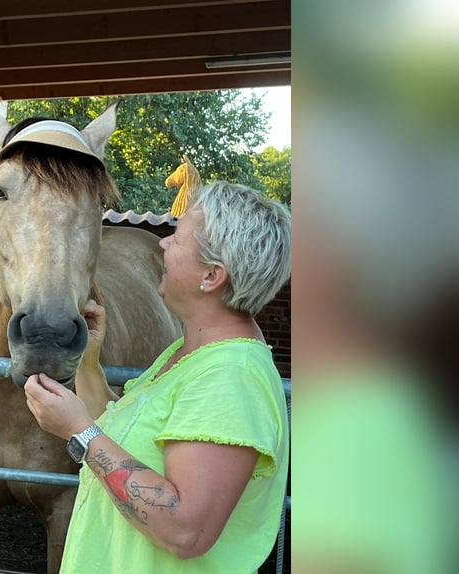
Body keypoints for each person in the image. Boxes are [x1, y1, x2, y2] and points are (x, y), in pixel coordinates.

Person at [24, 179, 291, 573]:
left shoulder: (231, 379)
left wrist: (79, 432)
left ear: (212, 276)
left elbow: (185, 529)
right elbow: (127, 443)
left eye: (177, 239)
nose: (163, 243)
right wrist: (90, 365)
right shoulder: (187, 353)